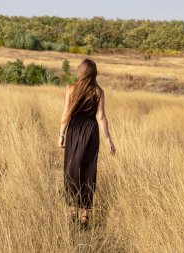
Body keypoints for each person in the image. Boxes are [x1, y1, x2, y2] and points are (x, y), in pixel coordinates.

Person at [58, 58, 116, 229]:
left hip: (74, 131)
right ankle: (85, 215)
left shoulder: (71, 89)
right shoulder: (98, 91)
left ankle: (73, 211)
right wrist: (108, 140)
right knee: (89, 170)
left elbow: (66, 113)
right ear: (93, 73)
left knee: (71, 169)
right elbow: (101, 117)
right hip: (91, 132)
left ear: (81, 71)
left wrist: (61, 134)